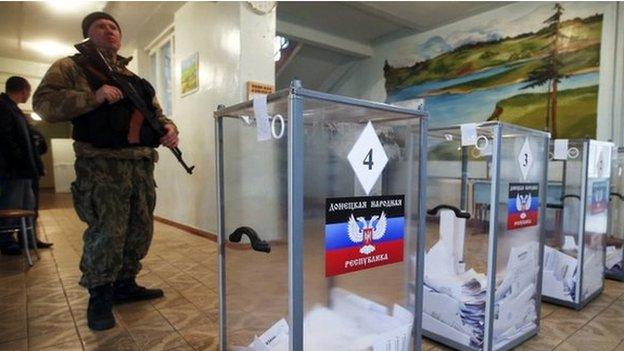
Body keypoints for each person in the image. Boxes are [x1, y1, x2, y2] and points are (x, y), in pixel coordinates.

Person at [33, 12, 179, 331]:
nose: (110, 31)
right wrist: (92, 96)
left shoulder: (134, 79)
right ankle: (100, 294)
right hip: (101, 164)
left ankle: (125, 283)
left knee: (140, 228)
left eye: (114, 27)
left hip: (140, 164)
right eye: (101, 27)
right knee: (107, 230)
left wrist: (169, 129)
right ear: (87, 35)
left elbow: (157, 114)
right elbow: (43, 104)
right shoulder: (70, 66)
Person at [0, 76, 53, 255]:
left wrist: (36, 166)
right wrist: (22, 160)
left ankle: (28, 239)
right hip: (14, 171)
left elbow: (28, 142)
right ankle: (7, 241)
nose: (28, 95)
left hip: (25, 171)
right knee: (11, 205)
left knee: (28, 206)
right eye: (29, 92)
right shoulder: (4, 107)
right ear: (24, 90)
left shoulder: (15, 110)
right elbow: (6, 139)